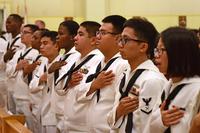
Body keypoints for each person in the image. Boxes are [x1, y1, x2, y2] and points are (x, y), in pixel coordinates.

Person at [106, 17, 167, 133]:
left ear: (143, 47)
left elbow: (148, 126)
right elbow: (110, 118)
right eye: (120, 39)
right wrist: (119, 111)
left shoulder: (152, 80)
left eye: (125, 40)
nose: (120, 44)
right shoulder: (125, 72)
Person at [77, 15, 129, 133]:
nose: (97, 37)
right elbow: (78, 92)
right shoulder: (98, 62)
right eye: (98, 33)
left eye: (103, 33)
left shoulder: (123, 64)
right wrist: (94, 85)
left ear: (117, 38)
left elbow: (120, 105)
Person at [149, 27, 200, 133]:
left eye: (160, 50)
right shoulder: (170, 84)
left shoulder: (196, 88)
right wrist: (162, 120)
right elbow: (152, 123)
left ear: (178, 53)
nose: (156, 56)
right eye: (156, 50)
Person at [61, 21, 103, 133]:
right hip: (69, 121)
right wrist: (68, 82)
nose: (75, 38)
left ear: (93, 40)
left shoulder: (99, 60)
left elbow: (86, 89)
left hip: (83, 125)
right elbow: (60, 86)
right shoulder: (76, 59)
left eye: (80, 34)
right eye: (76, 34)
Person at [6, 24, 39, 132]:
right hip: (16, 93)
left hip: (27, 97)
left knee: (31, 128)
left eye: (25, 32)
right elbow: (8, 70)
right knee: (16, 127)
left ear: (33, 34)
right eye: (22, 32)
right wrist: (17, 66)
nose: (22, 35)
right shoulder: (18, 52)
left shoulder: (37, 53)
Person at [48, 20, 80, 131]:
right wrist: (50, 71)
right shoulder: (62, 57)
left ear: (72, 37)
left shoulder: (77, 57)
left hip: (67, 111)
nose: (57, 37)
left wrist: (67, 81)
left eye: (61, 34)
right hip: (57, 109)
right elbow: (52, 84)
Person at [39, 31, 60, 133]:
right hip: (42, 111)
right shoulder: (43, 62)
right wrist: (40, 79)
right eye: (41, 43)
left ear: (56, 46)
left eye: (45, 43)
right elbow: (32, 85)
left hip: (55, 116)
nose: (41, 46)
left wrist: (47, 77)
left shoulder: (62, 63)